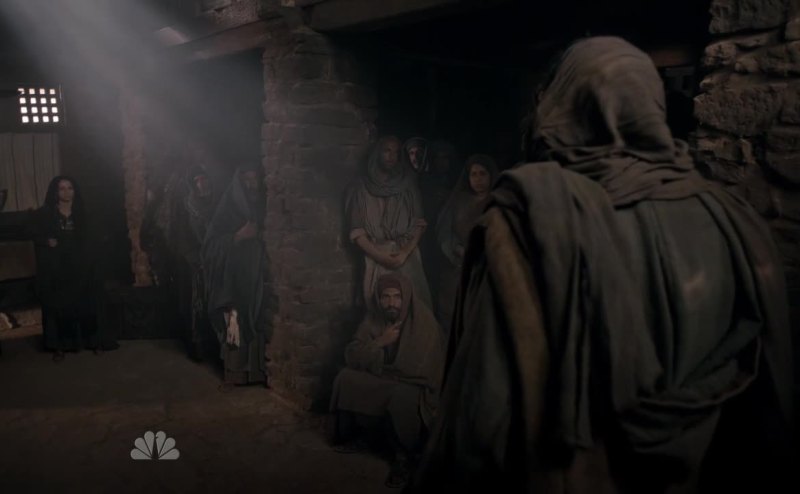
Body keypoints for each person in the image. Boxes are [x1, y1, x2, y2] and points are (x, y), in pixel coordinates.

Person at [411, 37, 794, 493]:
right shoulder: (737, 222)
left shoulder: (534, 219)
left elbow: (479, 423)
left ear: (563, 105)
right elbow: (767, 407)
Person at [329, 273, 444, 489]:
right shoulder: (373, 319)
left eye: (397, 297)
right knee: (346, 378)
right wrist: (381, 342)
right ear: (378, 299)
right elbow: (351, 355)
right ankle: (363, 437)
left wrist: (377, 365)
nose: (391, 303)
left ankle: (403, 457)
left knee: (402, 396)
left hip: (416, 386)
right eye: (385, 297)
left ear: (406, 297)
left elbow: (422, 370)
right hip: (386, 378)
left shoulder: (423, 322)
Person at [345, 136, 432, 311]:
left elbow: (419, 224)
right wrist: (381, 257)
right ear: (378, 153)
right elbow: (357, 231)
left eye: (396, 153)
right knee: (380, 309)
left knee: (415, 308)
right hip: (376, 256)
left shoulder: (408, 185)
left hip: (407, 256)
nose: (392, 156)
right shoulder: (361, 188)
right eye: (387, 151)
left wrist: (404, 254)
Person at [203, 165, 267, 388]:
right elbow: (209, 248)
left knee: (256, 322)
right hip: (232, 282)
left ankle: (257, 373)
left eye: (254, 180)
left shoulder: (263, 206)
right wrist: (238, 236)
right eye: (246, 181)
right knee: (235, 324)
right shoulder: (227, 209)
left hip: (256, 279)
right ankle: (237, 373)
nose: (251, 185)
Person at [32, 176, 101, 361]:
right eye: (62, 188)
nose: (66, 192)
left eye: (70, 188)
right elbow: (34, 234)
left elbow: (92, 239)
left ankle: (90, 341)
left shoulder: (83, 213)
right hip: (57, 268)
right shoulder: (46, 213)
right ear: (55, 192)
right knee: (59, 305)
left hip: (80, 266)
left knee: (84, 303)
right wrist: (46, 241)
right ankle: (60, 346)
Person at [434, 154, 497, 329]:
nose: (478, 179)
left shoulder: (499, 201)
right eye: (473, 174)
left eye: (482, 174)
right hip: (458, 265)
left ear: (491, 175)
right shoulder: (458, 200)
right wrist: (457, 248)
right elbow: (444, 231)